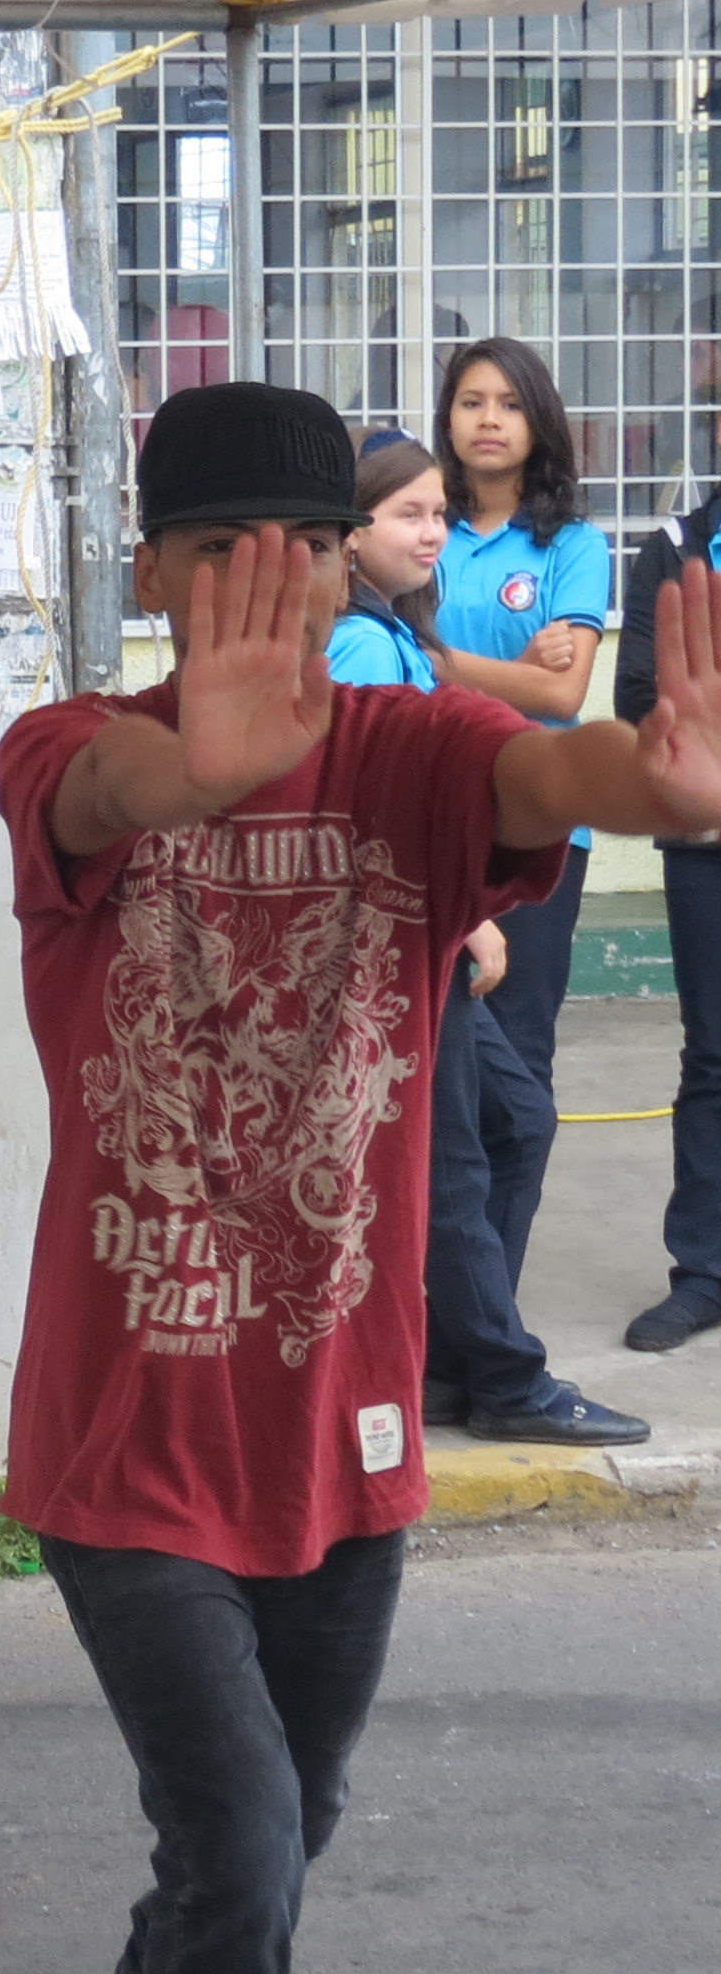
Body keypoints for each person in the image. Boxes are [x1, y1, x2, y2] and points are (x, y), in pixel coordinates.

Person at [0, 380, 721, 1974]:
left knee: (276, 1824)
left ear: (347, 563)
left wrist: (655, 790)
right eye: (225, 555)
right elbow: (91, 804)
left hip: (345, 1419)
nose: (272, 592)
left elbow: (543, 769)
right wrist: (178, 772)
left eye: (304, 552)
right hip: (116, 1426)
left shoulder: (411, 752)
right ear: (149, 571)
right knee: (232, 1820)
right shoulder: (64, 744)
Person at [330, 438, 642, 1448]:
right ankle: (501, 1376)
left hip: (433, 923)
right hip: (408, 932)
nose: (428, 534)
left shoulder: (396, 636)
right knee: (456, 1160)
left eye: (435, 514)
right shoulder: (364, 649)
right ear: (345, 536)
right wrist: (464, 912)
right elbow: (371, 807)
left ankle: (456, 1355)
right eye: (404, 516)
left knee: (516, 1123)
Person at [430, 338, 609, 1093]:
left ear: (539, 421)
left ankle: (499, 1222)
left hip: (539, 824)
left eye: (508, 404)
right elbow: (386, 674)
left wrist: (434, 660)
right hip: (429, 813)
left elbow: (563, 698)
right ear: (448, 420)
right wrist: (518, 674)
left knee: (519, 1063)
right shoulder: (423, 530)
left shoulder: (572, 544)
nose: (489, 421)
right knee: (431, 1051)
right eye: (472, 403)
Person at [615, 471, 721, 1350]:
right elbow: (637, 693)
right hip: (707, 845)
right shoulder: (678, 548)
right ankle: (704, 1273)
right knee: (714, 1060)